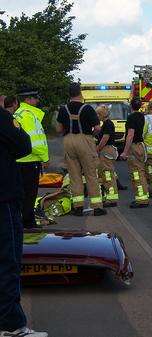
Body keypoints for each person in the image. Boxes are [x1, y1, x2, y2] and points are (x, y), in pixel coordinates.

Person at [0, 105, 48, 336]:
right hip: (3, 198)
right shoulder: (4, 118)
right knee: (7, 261)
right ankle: (11, 325)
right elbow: (23, 145)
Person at [56, 83, 106, 216]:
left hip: (68, 141)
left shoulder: (63, 109)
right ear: (80, 93)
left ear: (69, 94)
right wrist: (91, 136)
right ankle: (97, 207)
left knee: (74, 176)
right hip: (85, 140)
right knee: (90, 174)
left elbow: (59, 129)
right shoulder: (88, 108)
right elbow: (97, 128)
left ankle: (78, 207)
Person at [14, 88, 49, 229]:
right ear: (28, 99)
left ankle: (23, 220)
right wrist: (45, 158)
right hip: (30, 161)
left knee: (21, 194)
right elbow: (33, 141)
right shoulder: (28, 115)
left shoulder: (19, 114)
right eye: (35, 98)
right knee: (30, 194)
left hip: (20, 161)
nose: (37, 100)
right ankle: (28, 223)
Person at [120, 97, 149, 208]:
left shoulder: (131, 117)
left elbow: (130, 135)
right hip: (141, 146)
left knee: (136, 174)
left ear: (131, 106)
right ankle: (144, 197)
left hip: (134, 147)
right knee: (141, 171)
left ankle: (141, 200)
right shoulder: (141, 116)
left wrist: (125, 152)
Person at [96, 105, 119, 207]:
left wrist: (97, 149)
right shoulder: (106, 124)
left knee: (108, 174)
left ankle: (111, 199)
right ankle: (107, 197)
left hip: (107, 150)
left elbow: (105, 138)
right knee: (104, 174)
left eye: (98, 114)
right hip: (107, 151)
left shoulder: (108, 124)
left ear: (101, 114)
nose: (97, 116)